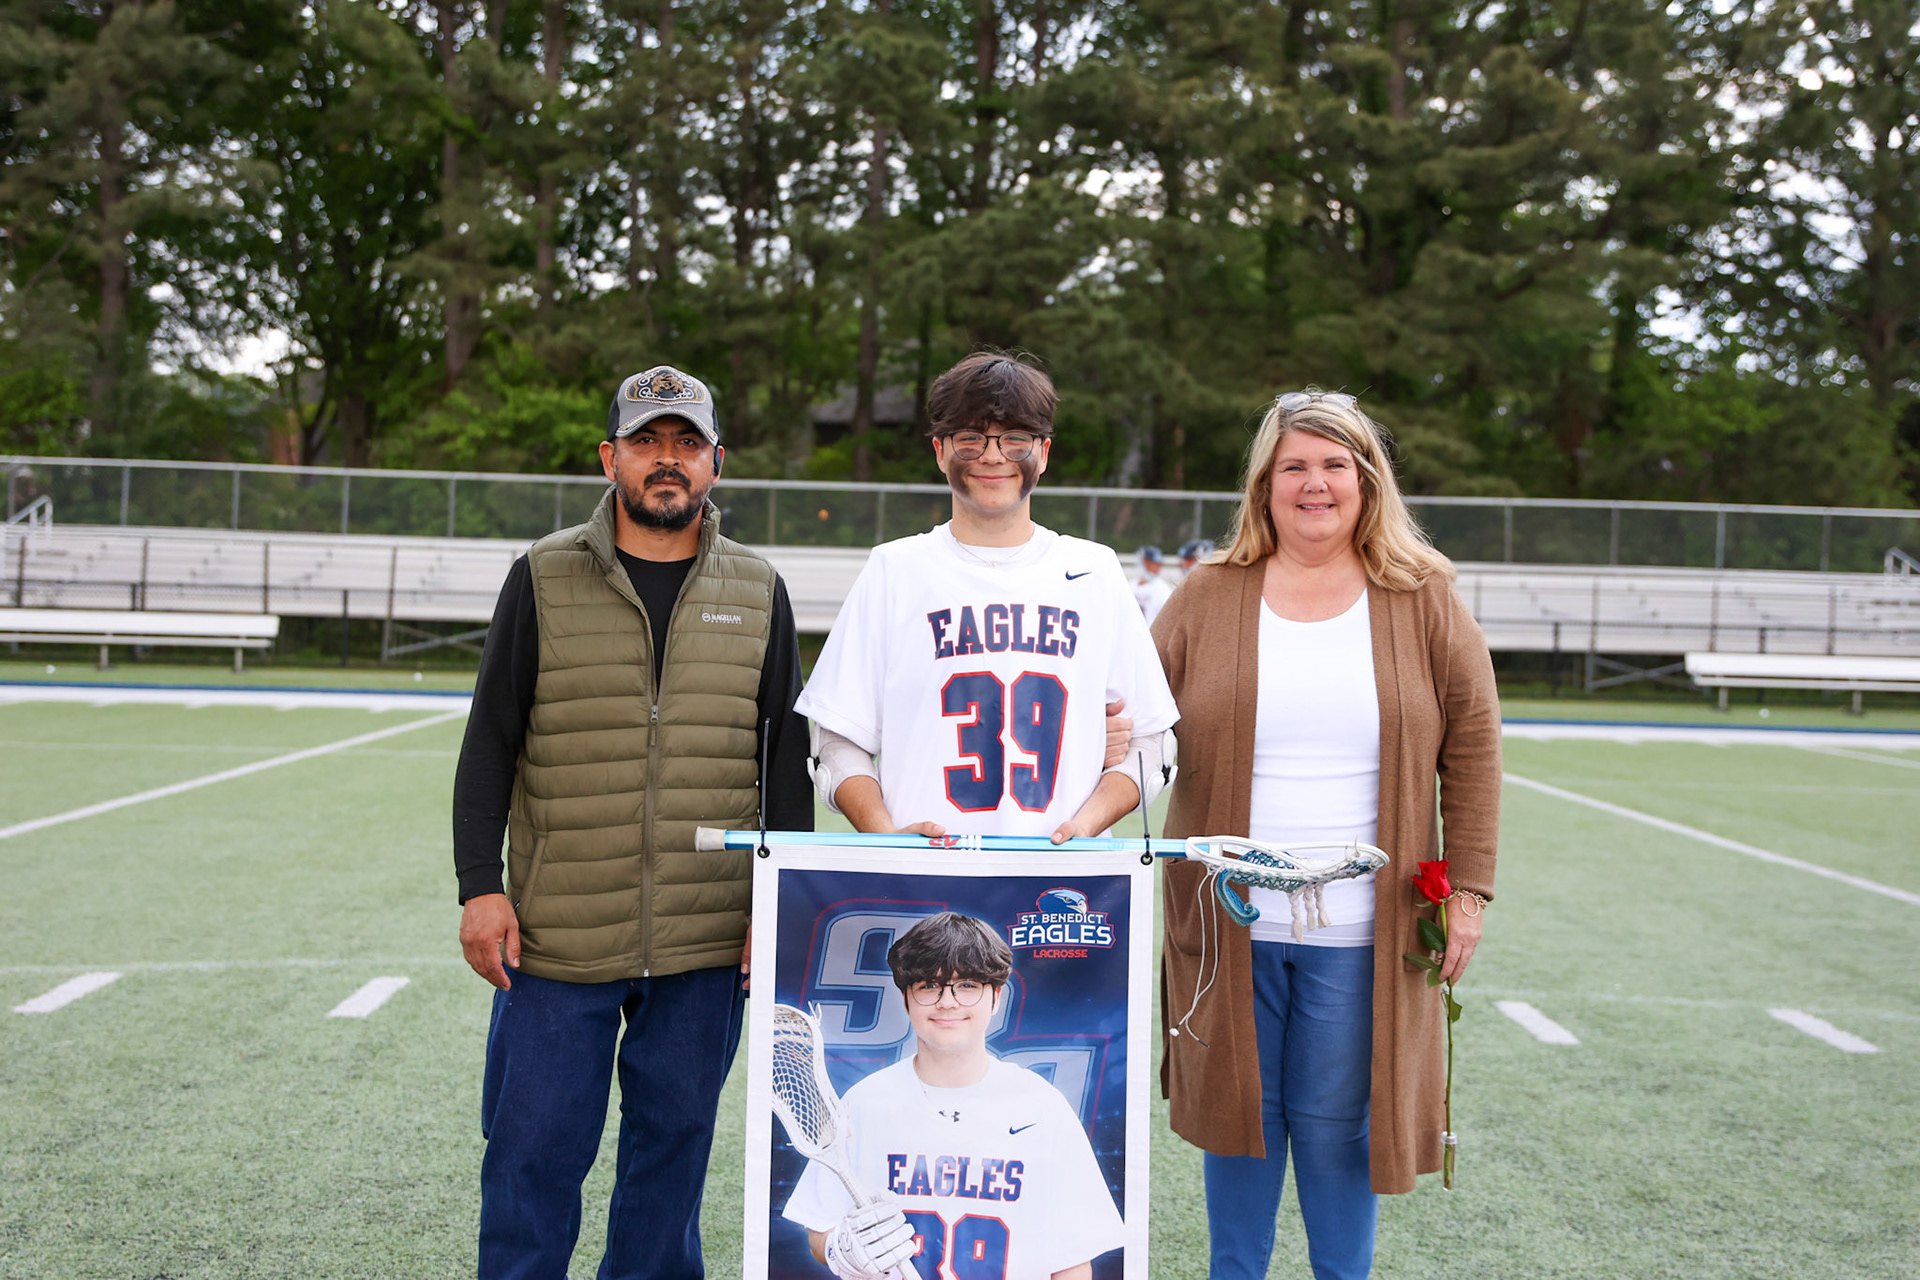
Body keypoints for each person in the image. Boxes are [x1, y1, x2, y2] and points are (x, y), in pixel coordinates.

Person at [452, 364, 813, 1280]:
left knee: (671, 1160)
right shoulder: (540, 577)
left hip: (703, 937)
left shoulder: (760, 589)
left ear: (716, 465)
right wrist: (479, 888)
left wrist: (775, 912)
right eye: (648, 442)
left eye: (686, 444)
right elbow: (490, 741)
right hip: (557, 937)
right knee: (531, 1156)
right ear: (609, 457)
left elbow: (784, 769)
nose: (667, 462)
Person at [1150, 391, 1501, 1280]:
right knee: (1240, 1116)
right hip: (1230, 922)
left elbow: (1474, 748)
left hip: (1363, 928)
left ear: (1367, 479)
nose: (1316, 484)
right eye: (1295, 467)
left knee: (1339, 1121)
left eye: (1335, 465)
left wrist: (1467, 890)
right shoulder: (1206, 593)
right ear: (1265, 485)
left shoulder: (1422, 596)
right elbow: (1139, 728)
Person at [798, 351, 1178, 843]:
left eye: (1015, 439)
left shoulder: (1094, 571)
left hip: (1059, 884)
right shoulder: (895, 569)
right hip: (926, 879)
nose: (993, 456)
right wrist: (887, 834)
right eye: (970, 437)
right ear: (940, 450)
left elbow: (1150, 743)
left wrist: (1085, 825)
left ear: (1043, 452)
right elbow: (836, 740)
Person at [782, 913, 1126, 1280]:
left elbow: (1071, 1260)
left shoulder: (1041, 1105)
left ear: (996, 997)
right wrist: (840, 1250)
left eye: (966, 985)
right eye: (929, 986)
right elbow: (820, 1227)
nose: (947, 1002)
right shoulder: (865, 1101)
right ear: (906, 999)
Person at [1130, 545, 1173, 626]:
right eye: (1150, 563)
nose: (1155, 568)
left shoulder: (1162, 589)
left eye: (1158, 564)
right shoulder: (1130, 586)